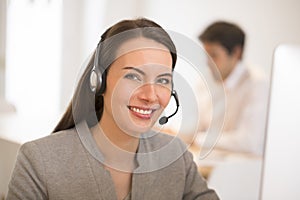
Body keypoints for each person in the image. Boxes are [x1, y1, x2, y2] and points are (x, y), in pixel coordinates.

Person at [7, 18, 219, 200]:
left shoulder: (176, 157)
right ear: (98, 81)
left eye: (163, 80)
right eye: (133, 76)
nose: (150, 95)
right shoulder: (39, 160)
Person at [195, 21, 269, 156]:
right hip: (210, 162)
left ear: (236, 53)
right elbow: (198, 125)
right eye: (206, 55)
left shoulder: (256, 84)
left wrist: (200, 139)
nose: (208, 63)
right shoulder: (206, 80)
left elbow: (249, 141)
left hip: (242, 170)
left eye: (214, 55)